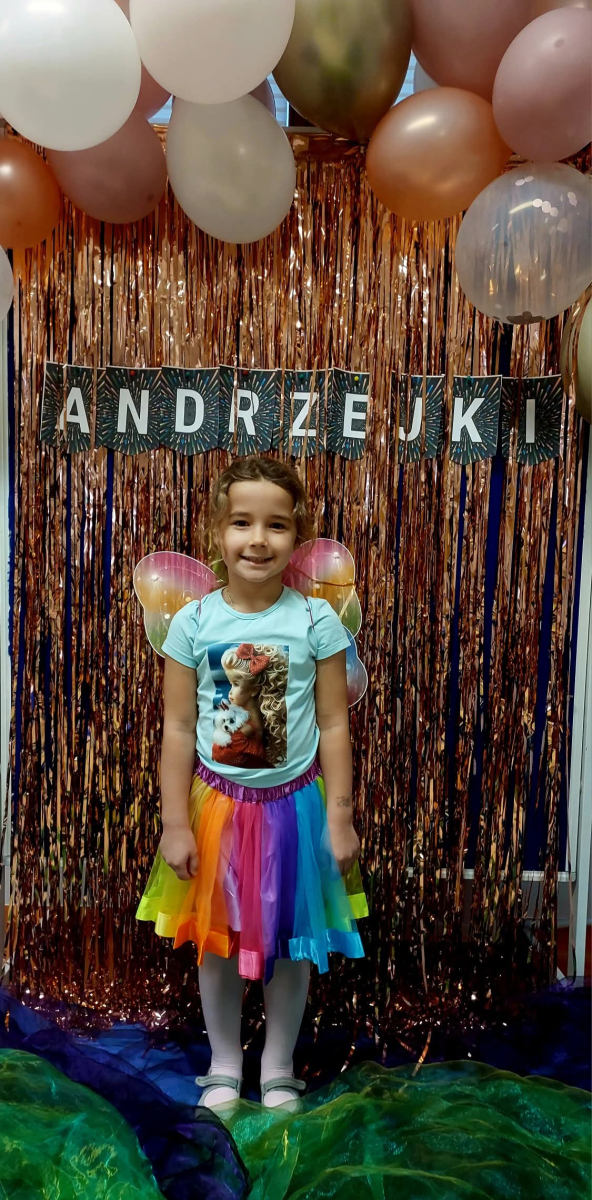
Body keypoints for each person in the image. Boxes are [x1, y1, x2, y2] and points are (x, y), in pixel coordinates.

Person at [137, 455, 367, 1111]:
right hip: (217, 808)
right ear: (218, 532)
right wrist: (174, 823)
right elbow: (178, 727)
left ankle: (278, 1066)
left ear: (297, 536)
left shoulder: (315, 622)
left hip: (295, 809)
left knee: (291, 943)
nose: (258, 539)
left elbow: (333, 723)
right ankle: (223, 1063)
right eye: (242, 522)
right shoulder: (194, 623)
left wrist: (340, 817)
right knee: (217, 941)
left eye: (276, 525)